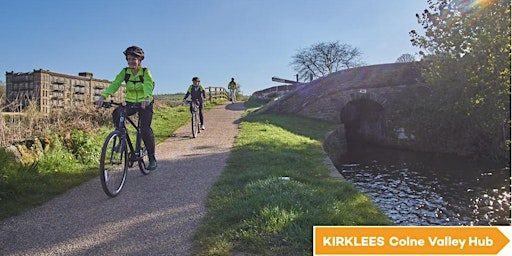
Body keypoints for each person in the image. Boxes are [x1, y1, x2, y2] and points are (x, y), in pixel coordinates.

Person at [95, 45, 158, 170]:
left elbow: (148, 85)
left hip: (145, 103)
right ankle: (121, 138)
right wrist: (103, 96)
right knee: (117, 112)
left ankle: (152, 158)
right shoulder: (125, 72)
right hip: (131, 102)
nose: (131, 61)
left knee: (145, 129)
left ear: (140, 60)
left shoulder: (145, 72)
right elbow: (115, 84)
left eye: (134, 59)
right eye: (129, 59)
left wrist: (146, 98)